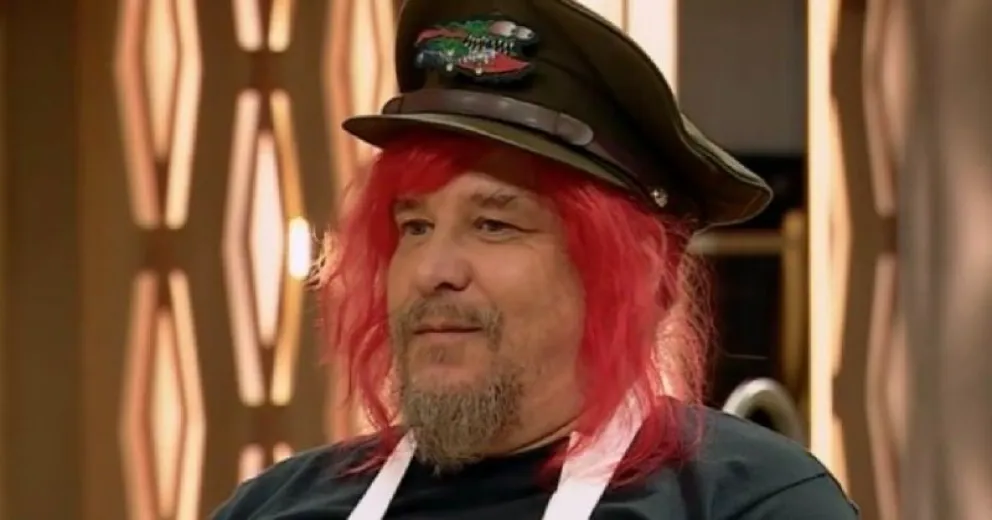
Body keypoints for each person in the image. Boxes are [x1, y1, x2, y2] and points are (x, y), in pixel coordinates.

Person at [213, 0, 858, 518]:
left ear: (633, 277)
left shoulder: (750, 504)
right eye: (415, 226)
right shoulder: (274, 507)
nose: (432, 270)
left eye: (493, 224)